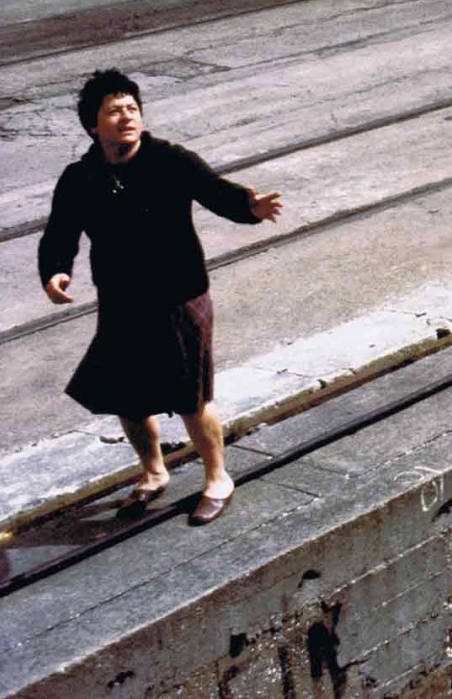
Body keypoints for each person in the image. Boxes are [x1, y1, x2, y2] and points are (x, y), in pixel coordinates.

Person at [38, 70, 283, 524]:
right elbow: (60, 233)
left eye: (132, 109)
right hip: (122, 299)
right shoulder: (80, 178)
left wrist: (249, 206)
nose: (126, 117)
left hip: (179, 295)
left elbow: (215, 191)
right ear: (94, 125)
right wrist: (56, 272)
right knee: (126, 395)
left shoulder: (169, 160)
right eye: (114, 111)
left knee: (191, 395)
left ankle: (217, 477)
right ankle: (153, 472)